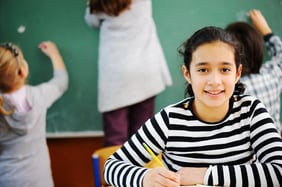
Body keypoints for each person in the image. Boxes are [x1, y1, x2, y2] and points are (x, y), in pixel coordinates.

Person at [103, 26, 282, 187]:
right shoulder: (170, 120)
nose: (214, 81)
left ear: (237, 74)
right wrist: (145, 178)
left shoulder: (251, 112)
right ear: (187, 73)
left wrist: (206, 174)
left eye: (225, 70)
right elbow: (111, 167)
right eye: (203, 70)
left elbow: (278, 171)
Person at [84, 0, 172, 146]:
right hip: (145, 72)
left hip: (115, 76)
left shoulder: (99, 4)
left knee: (115, 139)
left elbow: (91, 21)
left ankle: (117, 169)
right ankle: (141, 169)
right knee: (142, 138)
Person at [0, 41, 68, 187]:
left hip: (7, 180)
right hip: (40, 179)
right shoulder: (38, 96)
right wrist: (54, 54)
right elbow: (61, 82)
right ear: (22, 70)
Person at [226, 9, 282, 134]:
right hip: (275, 142)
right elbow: (280, 54)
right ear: (259, 50)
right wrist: (266, 31)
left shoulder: (229, 90)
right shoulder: (272, 75)